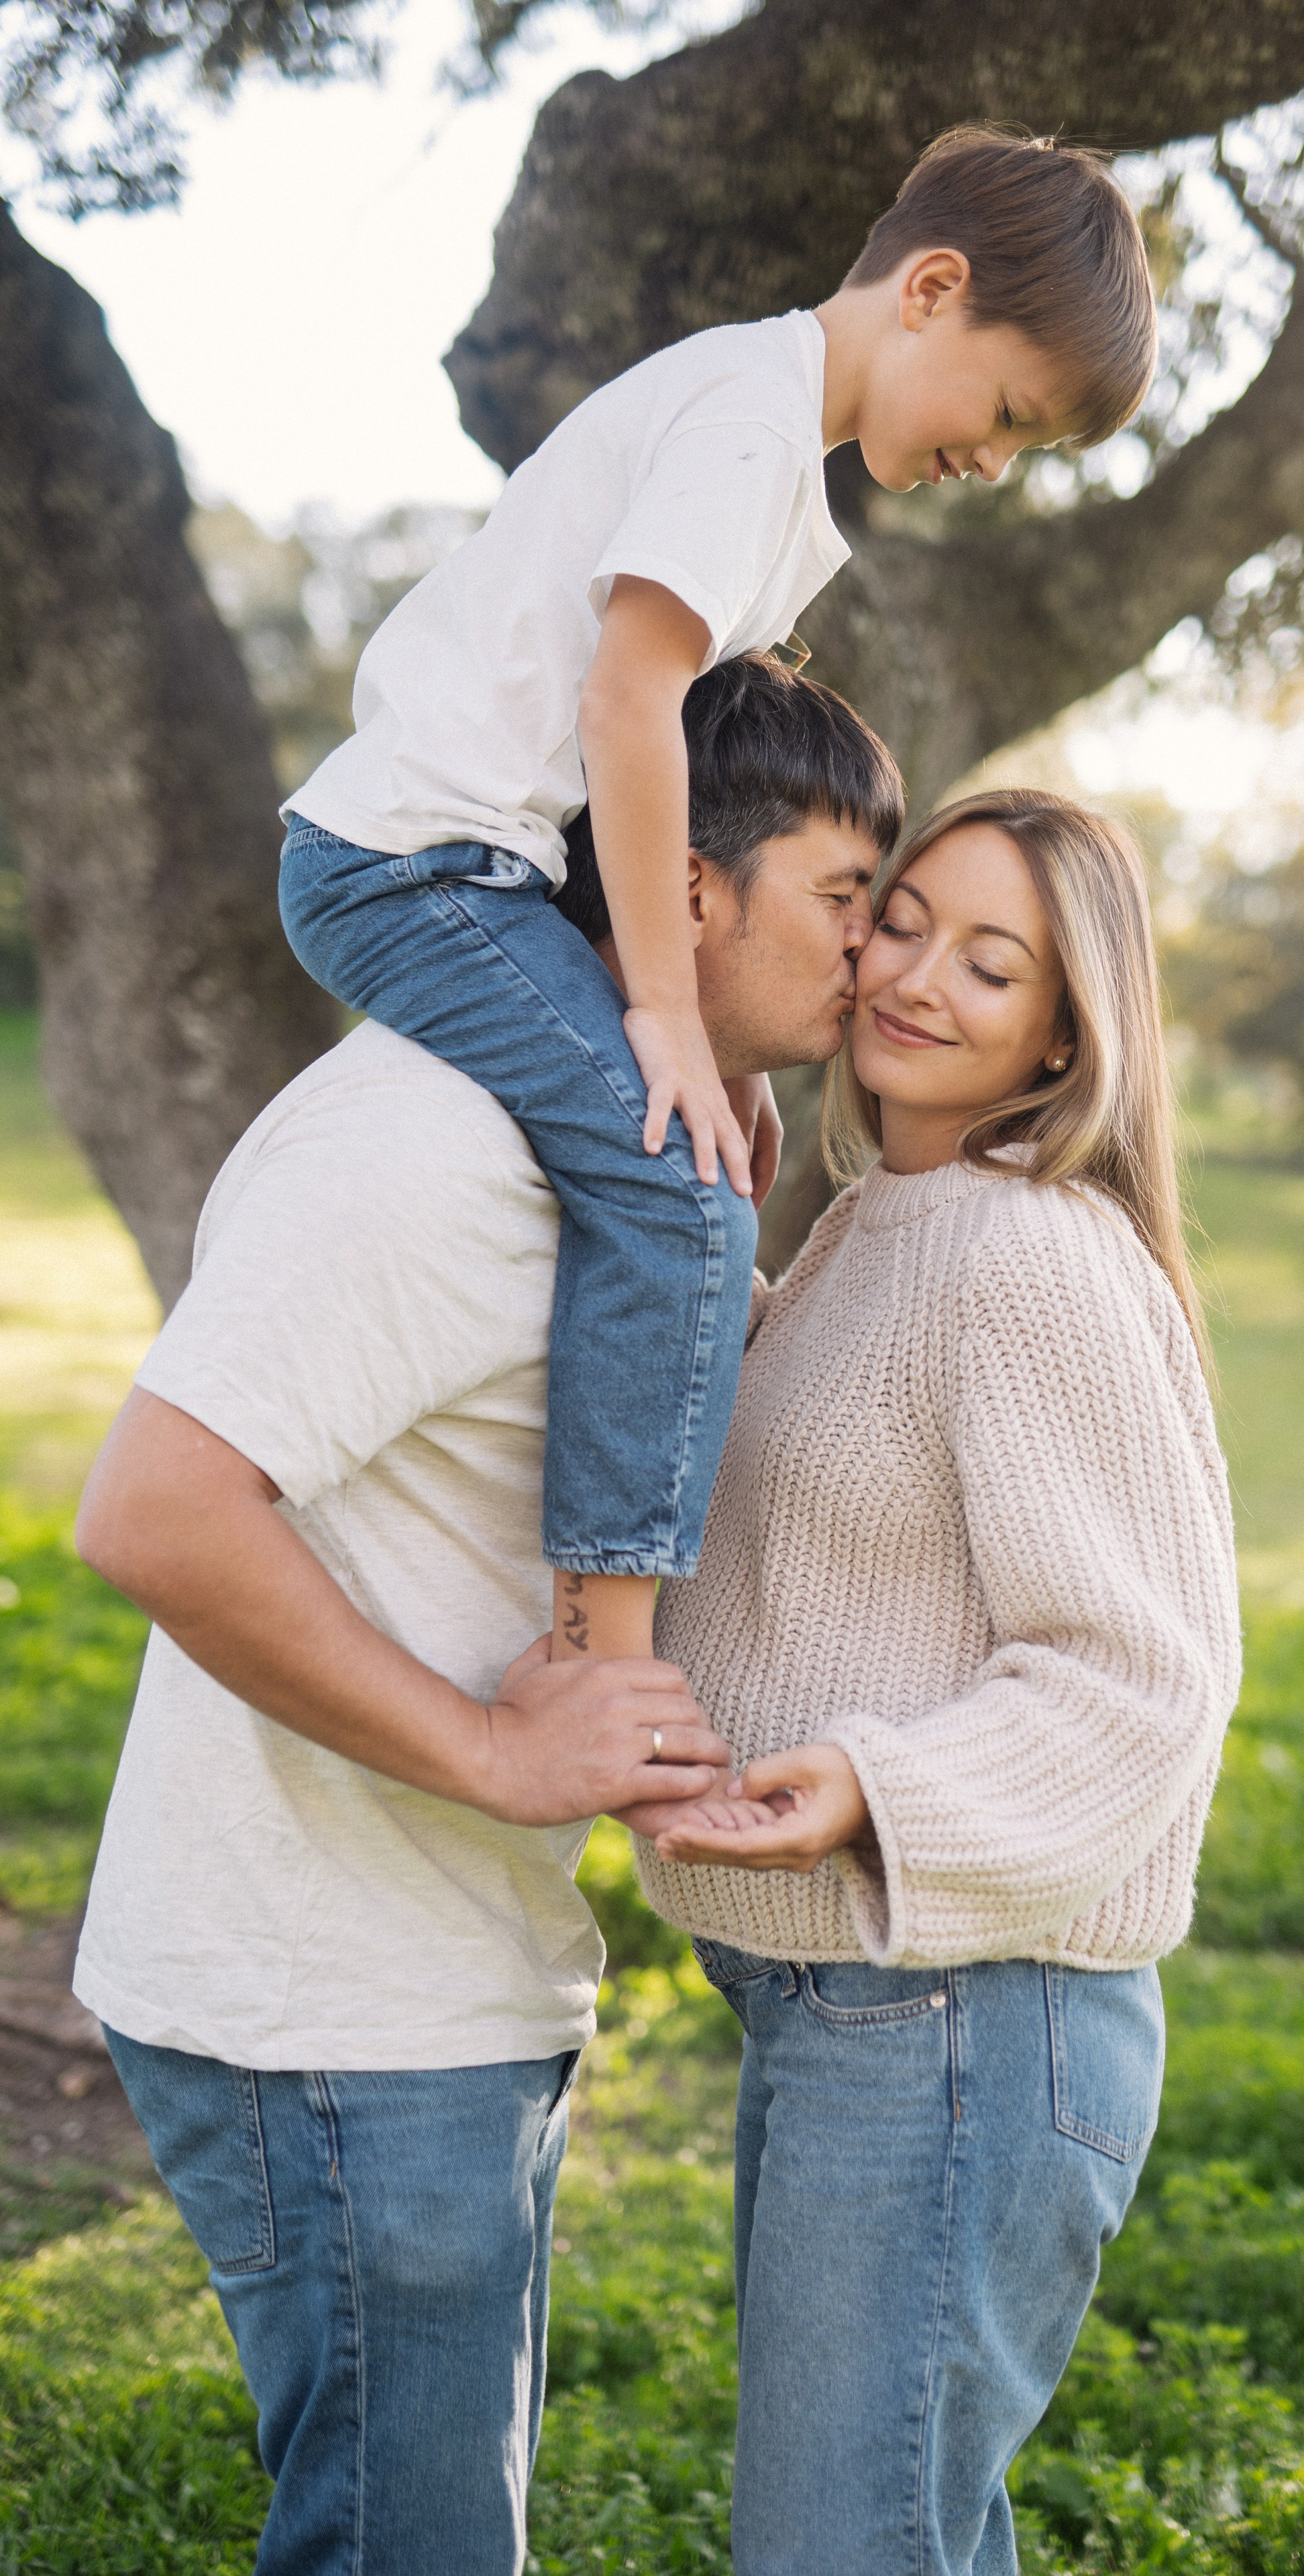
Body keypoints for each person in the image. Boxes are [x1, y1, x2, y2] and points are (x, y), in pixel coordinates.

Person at [71, 658, 904, 2576]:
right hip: (331, 2010)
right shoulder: (433, 1147)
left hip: (436, 1985)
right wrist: (490, 1751)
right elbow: (160, 1512)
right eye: (847, 902)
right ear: (691, 895)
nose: (875, 959)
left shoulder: (620, 1156)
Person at [275, 126, 1157, 1676]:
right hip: (411, 866)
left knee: (693, 1148)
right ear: (931, 291)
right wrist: (669, 1025)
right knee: (677, 1189)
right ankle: (609, 1658)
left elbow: (685, 746)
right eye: (1006, 413)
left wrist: (727, 1053)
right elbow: (630, 706)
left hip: (476, 864)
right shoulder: (747, 429)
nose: (990, 464)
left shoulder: (764, 444)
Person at [637, 788, 1243, 2576]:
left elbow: (1142, 1676)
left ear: (1067, 1033)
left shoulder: (1025, 1254)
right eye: (901, 922)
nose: (916, 978)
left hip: (966, 2016)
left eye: (995, 965)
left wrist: (870, 1783)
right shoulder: (871, 1224)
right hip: (854, 2002)